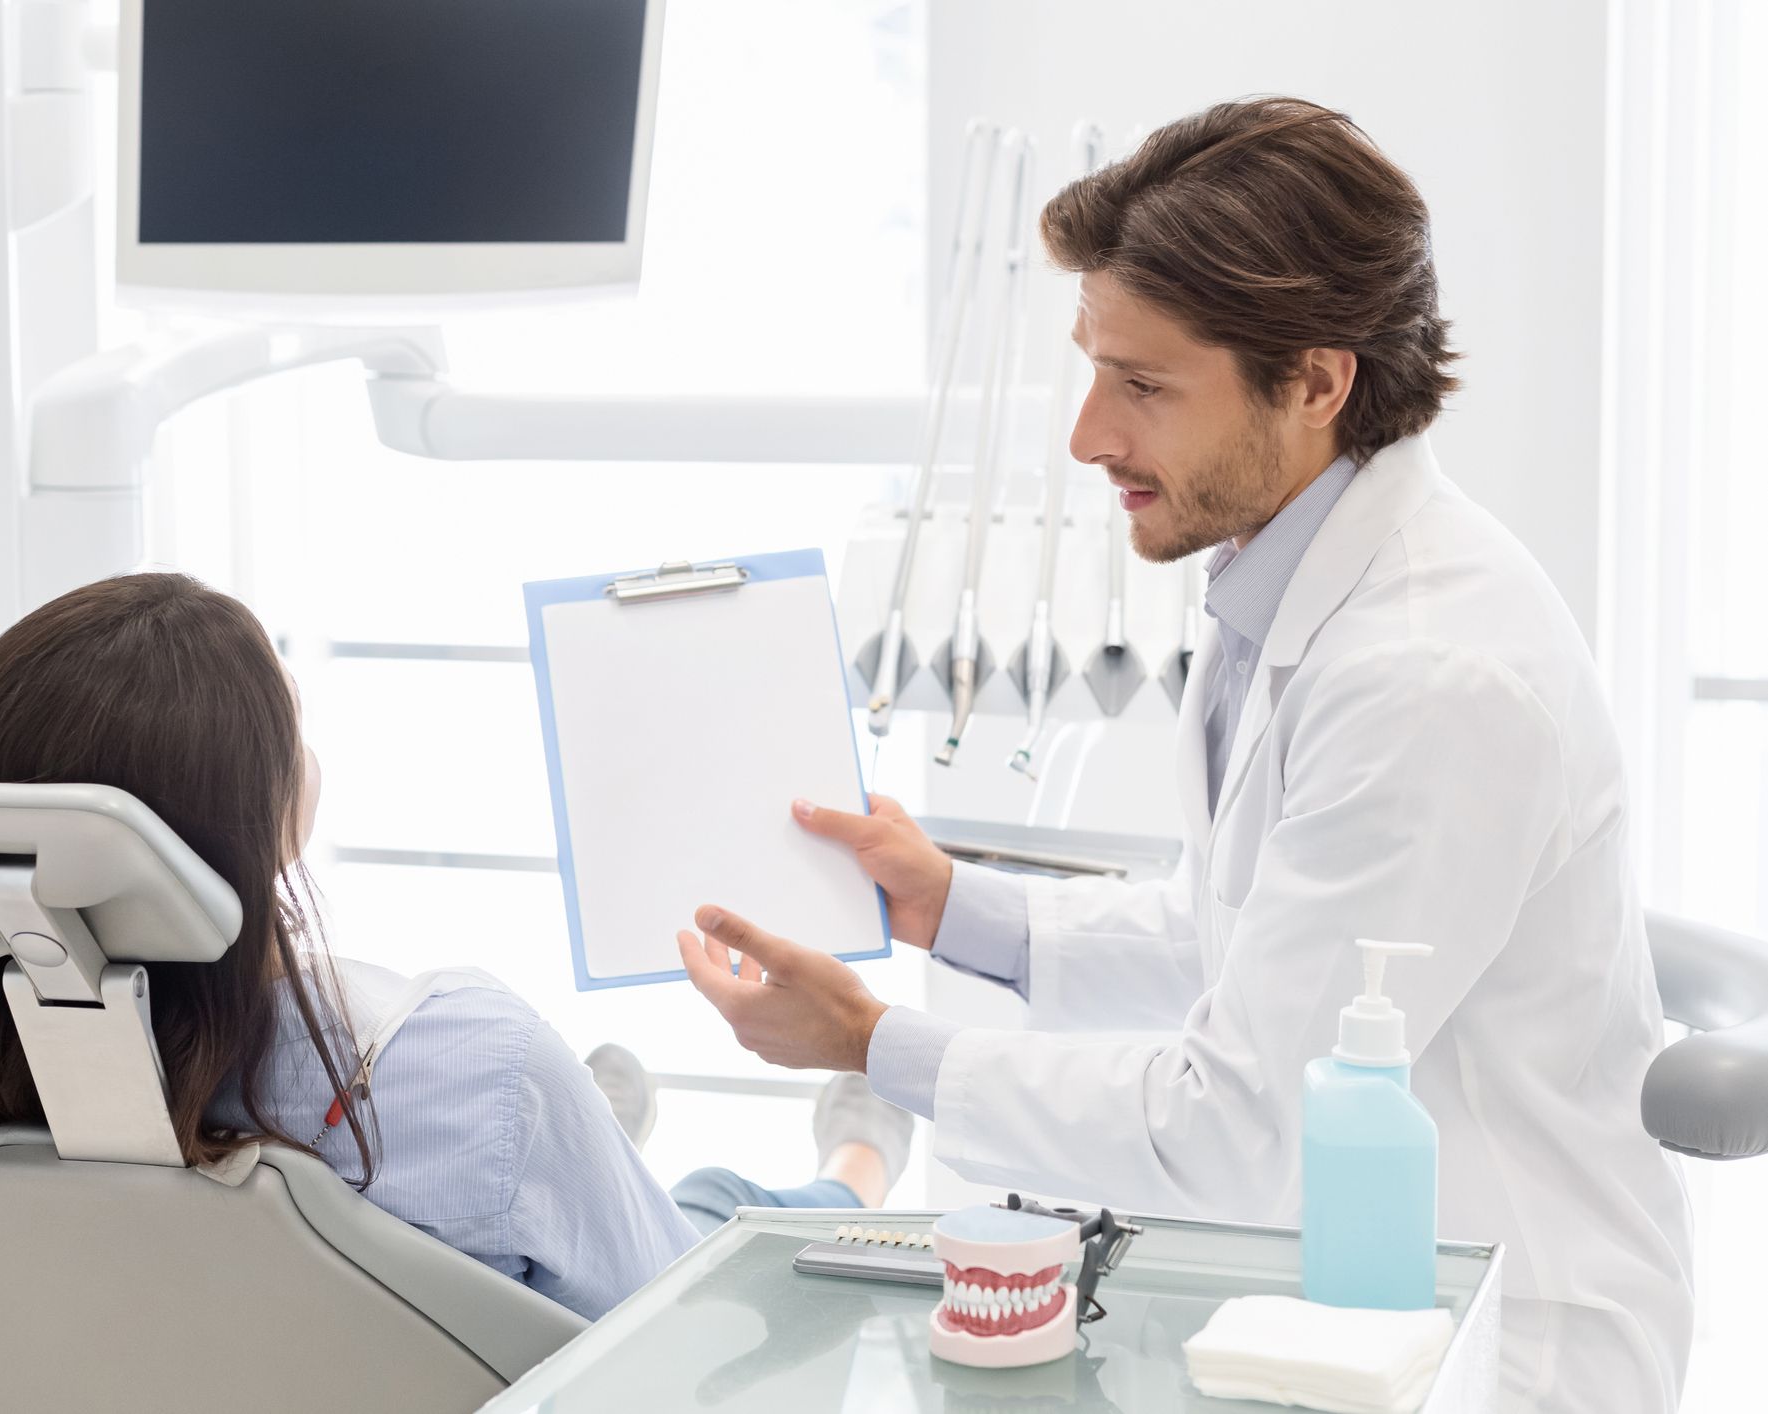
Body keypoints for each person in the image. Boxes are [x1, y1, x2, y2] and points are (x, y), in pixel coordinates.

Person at [676, 98, 1692, 1410]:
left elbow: (1235, 1126)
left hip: (1510, 1345)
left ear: (1318, 381)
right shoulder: (1279, 573)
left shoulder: (1431, 677)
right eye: (1094, 367)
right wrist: (954, 907)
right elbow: (1240, 929)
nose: (1088, 434)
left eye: (1143, 385)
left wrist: (877, 1045)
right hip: (1347, 1300)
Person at [0, 571, 911, 1321]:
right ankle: (855, 1165)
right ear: (259, 818)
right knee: (717, 1209)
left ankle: (600, 1131)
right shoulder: (471, 1070)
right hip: (540, 1211)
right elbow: (675, 1329)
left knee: (551, 1158)